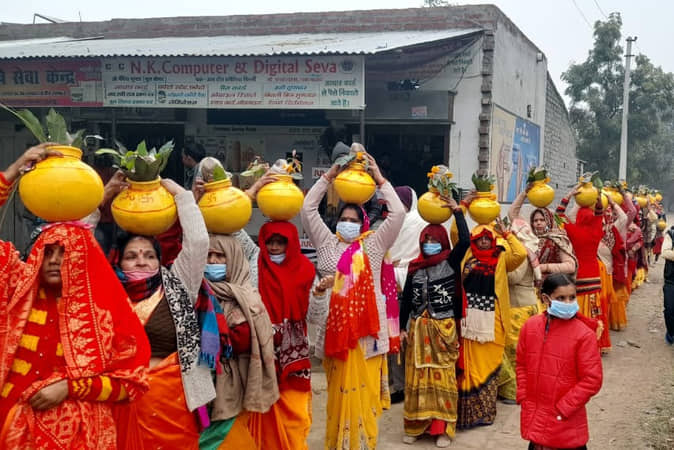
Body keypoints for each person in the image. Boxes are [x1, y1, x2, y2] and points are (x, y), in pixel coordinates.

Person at [0, 145, 150, 449]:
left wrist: (70, 388)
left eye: (64, 252)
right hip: (8, 427)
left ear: (83, 258)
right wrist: (13, 172)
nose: (55, 260)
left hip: (79, 437)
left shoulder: (106, 310)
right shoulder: (14, 290)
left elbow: (132, 383)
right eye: (48, 252)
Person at [101, 172, 217, 449]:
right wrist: (103, 197)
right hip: (119, 401)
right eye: (132, 256)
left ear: (160, 260)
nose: (141, 261)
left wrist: (180, 194)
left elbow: (198, 243)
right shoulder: (105, 290)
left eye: (149, 255)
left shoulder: (178, 285)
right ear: (119, 261)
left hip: (172, 404)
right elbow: (78, 250)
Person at [302, 146, 405, 449]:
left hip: (366, 338)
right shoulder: (326, 243)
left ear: (362, 223)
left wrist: (379, 179)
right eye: (343, 218)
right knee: (338, 400)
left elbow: (398, 213)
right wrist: (329, 177)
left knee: (365, 403)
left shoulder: (373, 245)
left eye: (353, 219)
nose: (347, 222)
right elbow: (308, 209)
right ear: (337, 222)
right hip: (334, 336)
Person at [399, 194, 469, 448]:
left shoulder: (450, 261)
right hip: (418, 330)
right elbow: (407, 300)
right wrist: (401, 328)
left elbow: (466, 241)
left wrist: (458, 212)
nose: (429, 244)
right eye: (426, 240)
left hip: (443, 328)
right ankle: (416, 426)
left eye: (434, 240)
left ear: (442, 242)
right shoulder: (414, 268)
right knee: (417, 378)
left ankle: (442, 429)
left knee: (443, 378)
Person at [202, 232, 279, 448]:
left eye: (220, 256)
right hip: (199, 387)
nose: (212, 261)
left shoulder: (247, 296)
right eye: (208, 255)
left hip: (234, 387)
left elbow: (244, 340)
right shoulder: (193, 291)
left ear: (233, 258)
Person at [516, 273, 603, 450]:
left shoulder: (584, 335)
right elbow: (521, 364)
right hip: (536, 414)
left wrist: (564, 407)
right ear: (545, 299)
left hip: (566, 418)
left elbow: (592, 379)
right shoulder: (530, 327)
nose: (568, 303)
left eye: (572, 297)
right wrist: (524, 395)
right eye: (561, 298)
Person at [457, 216, 527, 429]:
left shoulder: (502, 257)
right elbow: (455, 234)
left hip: (493, 321)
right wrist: (461, 210)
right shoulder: (466, 255)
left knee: (490, 365)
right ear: (474, 240)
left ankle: (485, 413)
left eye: (488, 238)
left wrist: (507, 233)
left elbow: (521, 254)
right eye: (480, 238)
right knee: (470, 367)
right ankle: (467, 414)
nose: (484, 241)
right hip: (468, 322)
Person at [498, 187, 544, 403]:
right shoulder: (528, 250)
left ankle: (516, 391)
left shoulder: (523, 253)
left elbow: (514, 277)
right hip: (526, 304)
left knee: (515, 351)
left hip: (519, 307)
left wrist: (497, 270)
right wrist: (525, 193)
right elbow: (512, 213)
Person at [387, 186, 429, 404]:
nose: (397, 206)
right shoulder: (390, 224)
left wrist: (402, 265)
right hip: (390, 284)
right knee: (393, 337)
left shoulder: (419, 223)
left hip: (414, 286)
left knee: (411, 338)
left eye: (401, 203)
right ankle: (397, 385)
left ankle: (410, 384)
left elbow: (425, 253)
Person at [556, 188, 608, 352]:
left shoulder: (573, 230)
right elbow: (600, 213)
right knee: (594, 312)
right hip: (594, 276)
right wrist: (598, 199)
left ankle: (577, 345)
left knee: (577, 312)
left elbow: (558, 215)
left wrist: (568, 196)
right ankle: (595, 344)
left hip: (578, 276)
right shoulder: (596, 229)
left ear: (578, 218)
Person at [661, 226, 674, 345]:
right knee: (669, 309)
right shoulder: (671, 234)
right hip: (671, 280)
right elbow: (665, 252)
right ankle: (671, 333)